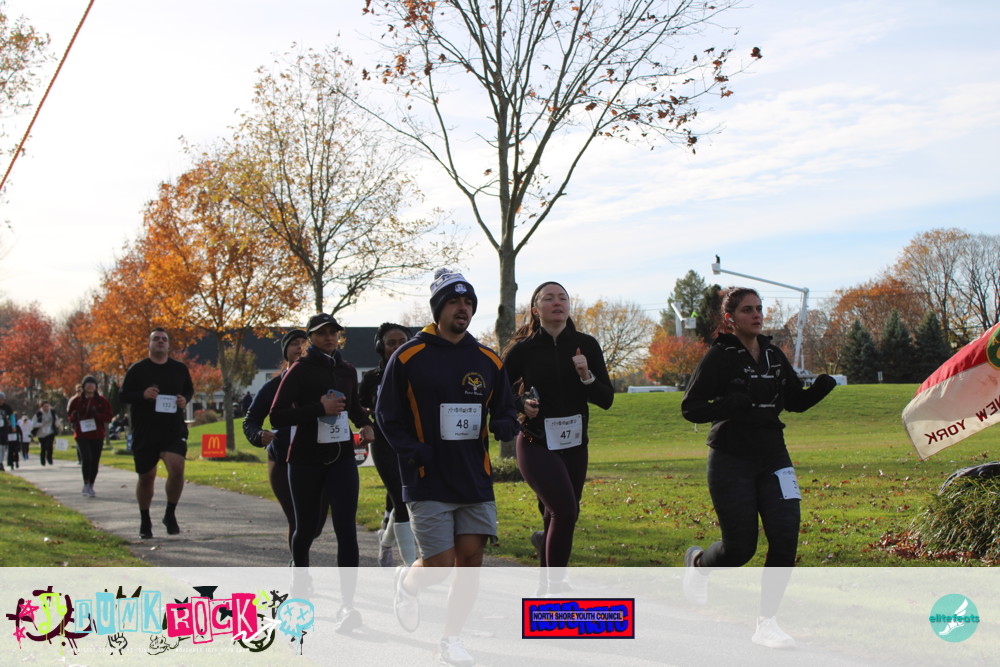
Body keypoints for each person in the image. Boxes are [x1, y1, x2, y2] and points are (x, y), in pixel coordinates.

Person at [680, 286, 837, 648]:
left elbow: (794, 402)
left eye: (759, 308)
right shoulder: (719, 356)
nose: (756, 315)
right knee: (740, 549)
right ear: (730, 319)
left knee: (786, 536)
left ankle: (767, 623)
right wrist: (729, 404)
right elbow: (691, 408)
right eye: (747, 309)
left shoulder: (773, 354)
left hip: (774, 457)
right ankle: (699, 564)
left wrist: (820, 389)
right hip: (730, 458)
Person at [376, 269, 519, 666]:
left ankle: (450, 639)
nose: (463, 308)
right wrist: (413, 451)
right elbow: (387, 415)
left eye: (468, 302)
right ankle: (407, 584)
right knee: (439, 566)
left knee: (470, 561)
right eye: (454, 301)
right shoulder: (408, 356)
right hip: (427, 477)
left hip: (474, 477)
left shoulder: (487, 359)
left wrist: (506, 422)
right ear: (438, 309)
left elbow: (505, 408)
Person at [502, 281, 614, 593]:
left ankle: (543, 592)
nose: (557, 302)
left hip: (575, 446)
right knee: (565, 512)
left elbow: (606, 399)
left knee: (556, 517)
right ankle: (556, 587)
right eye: (549, 298)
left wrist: (586, 375)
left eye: (562, 298)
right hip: (536, 442)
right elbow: (498, 394)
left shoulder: (586, 345)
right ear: (535, 310)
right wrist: (521, 404)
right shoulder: (523, 350)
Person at [269, 313, 375, 633]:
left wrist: (365, 424)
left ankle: (348, 606)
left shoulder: (346, 370)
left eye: (334, 332)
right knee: (305, 529)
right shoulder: (299, 370)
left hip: (341, 458)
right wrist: (319, 409)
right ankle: (299, 588)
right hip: (305, 461)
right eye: (322, 333)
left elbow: (352, 406)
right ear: (311, 337)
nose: (329, 337)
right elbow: (277, 416)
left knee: (346, 529)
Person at [243, 329, 329, 559]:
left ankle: (299, 558)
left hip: (317, 459)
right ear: (286, 351)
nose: (300, 347)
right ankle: (299, 570)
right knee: (298, 520)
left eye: (304, 343)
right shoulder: (272, 387)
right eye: (294, 343)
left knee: (316, 526)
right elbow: (250, 420)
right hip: (282, 459)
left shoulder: (321, 382)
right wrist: (258, 435)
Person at [120, 328, 194, 539]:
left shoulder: (179, 369)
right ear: (149, 344)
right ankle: (145, 519)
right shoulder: (137, 369)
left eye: (164, 339)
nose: (160, 342)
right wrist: (142, 395)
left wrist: (184, 400)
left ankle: (170, 514)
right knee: (146, 477)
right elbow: (123, 396)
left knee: (177, 469)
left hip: (173, 429)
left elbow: (189, 390)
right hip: (146, 431)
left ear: (168, 345)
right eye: (156, 339)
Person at [358, 322, 418, 568]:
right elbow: (359, 407)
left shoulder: (421, 372)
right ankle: (410, 565)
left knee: (403, 499)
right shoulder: (371, 378)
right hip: (384, 444)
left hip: (414, 444)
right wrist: (365, 420)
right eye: (391, 343)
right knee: (402, 501)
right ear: (380, 347)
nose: (397, 347)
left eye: (402, 342)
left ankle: (384, 542)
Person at [66, 375, 114, 497]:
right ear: (83, 386)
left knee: (94, 461)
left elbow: (108, 417)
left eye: (93, 384)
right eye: (88, 384)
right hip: (82, 434)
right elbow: (70, 416)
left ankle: (91, 484)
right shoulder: (77, 401)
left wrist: (97, 415)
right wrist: (74, 416)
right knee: (87, 458)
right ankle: (86, 483)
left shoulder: (102, 401)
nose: (90, 386)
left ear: (96, 386)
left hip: (97, 434)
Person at [32, 400, 60, 466]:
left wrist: (57, 425)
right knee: (43, 447)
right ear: (42, 407)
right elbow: (33, 424)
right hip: (41, 433)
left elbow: (56, 420)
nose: (46, 408)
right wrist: (41, 424)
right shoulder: (38, 414)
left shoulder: (52, 412)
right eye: (45, 406)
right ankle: (42, 461)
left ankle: (49, 459)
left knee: (50, 445)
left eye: (47, 406)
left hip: (50, 431)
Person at [0, 392, 12, 471]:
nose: (1, 401)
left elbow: (11, 416)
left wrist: (13, 425)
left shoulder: (6, 407)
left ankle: (1, 461)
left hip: (4, 429)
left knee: (3, 446)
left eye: (2, 399)